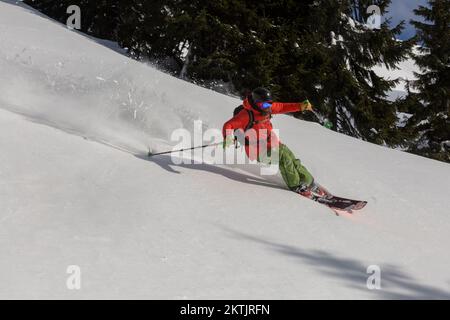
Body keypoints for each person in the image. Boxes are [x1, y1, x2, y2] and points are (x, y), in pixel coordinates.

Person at [222, 87, 326, 197]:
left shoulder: (268, 107)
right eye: (264, 105)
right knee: (283, 157)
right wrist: (227, 137)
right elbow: (228, 125)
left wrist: (300, 106)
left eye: (269, 104)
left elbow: (283, 107)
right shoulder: (246, 115)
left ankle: (307, 180)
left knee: (290, 156)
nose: (267, 107)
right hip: (257, 150)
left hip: (272, 143)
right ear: (256, 103)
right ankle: (295, 185)